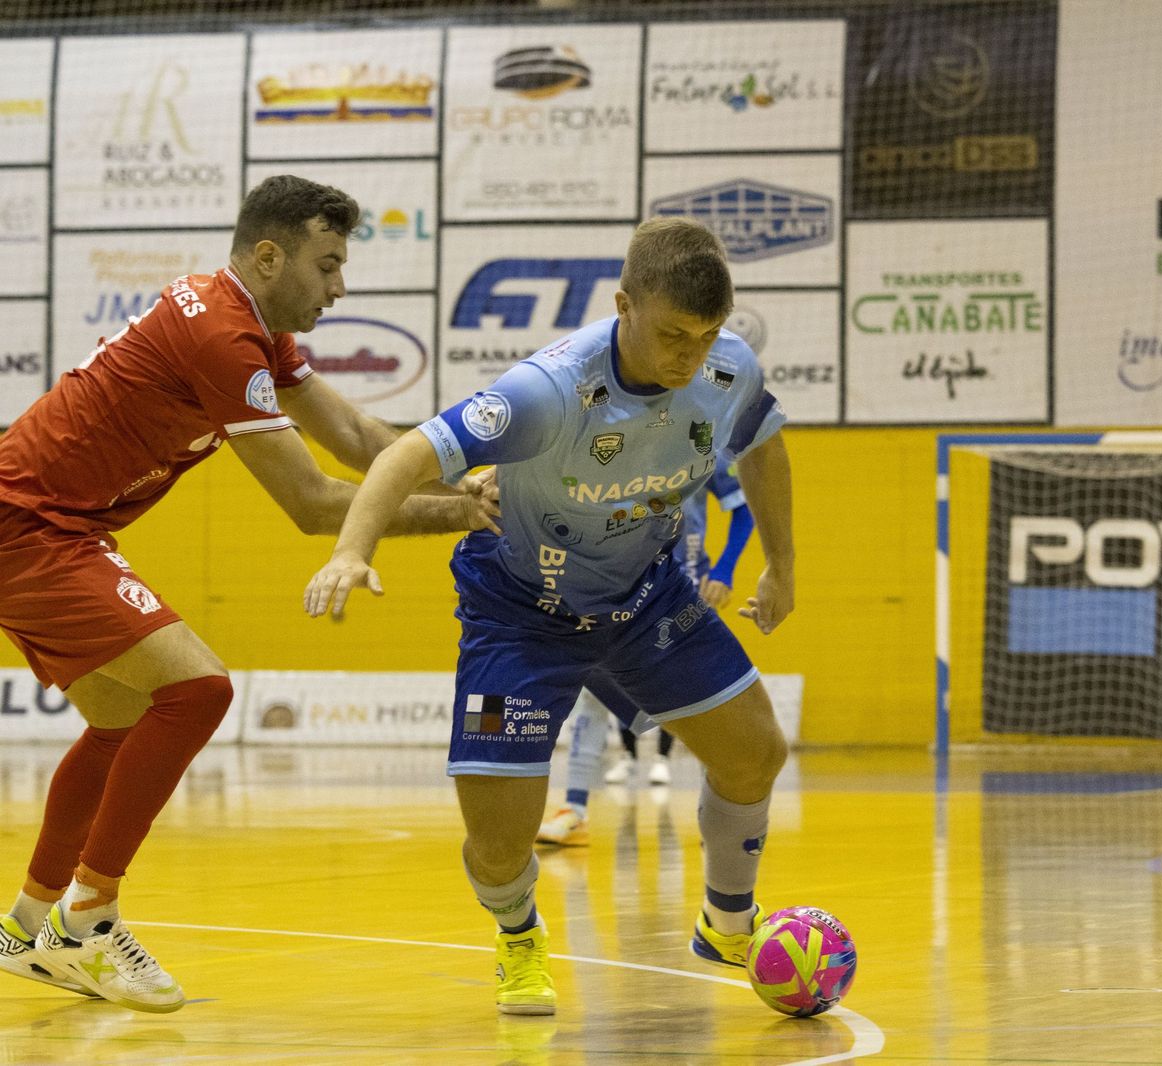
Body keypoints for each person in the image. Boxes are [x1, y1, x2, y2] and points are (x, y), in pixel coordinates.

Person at [0, 175, 500, 1014]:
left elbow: (360, 440)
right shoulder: (223, 339)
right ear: (268, 257)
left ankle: (25, 929)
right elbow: (311, 504)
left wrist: (468, 472)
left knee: (120, 718)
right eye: (327, 265)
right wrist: (464, 517)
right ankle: (88, 922)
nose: (340, 287)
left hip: (47, 528)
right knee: (198, 690)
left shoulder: (249, 330)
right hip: (30, 529)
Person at [304, 216, 793, 1017]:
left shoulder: (726, 368)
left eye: (706, 337)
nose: (690, 356)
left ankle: (728, 923)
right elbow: (404, 455)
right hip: (521, 613)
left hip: (647, 596)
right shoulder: (549, 391)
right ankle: (520, 936)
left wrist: (784, 564)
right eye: (673, 334)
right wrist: (352, 551)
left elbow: (764, 442)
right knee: (498, 843)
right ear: (623, 305)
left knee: (755, 753)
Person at [537, 453, 753, 847]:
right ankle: (575, 811)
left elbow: (744, 511)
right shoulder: (608, 443)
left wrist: (723, 570)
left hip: (677, 592)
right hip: (614, 591)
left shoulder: (704, 448)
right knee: (592, 695)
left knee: (704, 702)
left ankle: (720, 813)